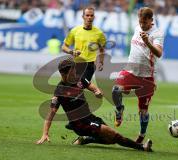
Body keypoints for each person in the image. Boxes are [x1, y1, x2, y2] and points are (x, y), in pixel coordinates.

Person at [36, 56, 153, 152]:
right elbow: (50, 114)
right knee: (114, 134)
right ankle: (142, 147)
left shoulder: (79, 78)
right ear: (63, 74)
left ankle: (86, 139)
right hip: (80, 124)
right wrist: (45, 133)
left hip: (90, 117)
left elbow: (90, 86)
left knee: (110, 140)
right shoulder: (59, 91)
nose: (76, 71)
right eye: (73, 70)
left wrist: (96, 91)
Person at [112, 7, 164, 144]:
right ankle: (119, 109)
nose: (142, 25)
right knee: (115, 91)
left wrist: (148, 43)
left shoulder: (157, 34)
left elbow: (159, 53)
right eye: (140, 22)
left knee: (143, 111)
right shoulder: (137, 28)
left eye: (145, 23)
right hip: (130, 71)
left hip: (146, 76)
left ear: (151, 20)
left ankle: (141, 135)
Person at [62, 6, 106, 98]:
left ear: (94, 17)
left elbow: (102, 50)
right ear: (83, 17)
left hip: (90, 64)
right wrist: (71, 51)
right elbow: (64, 47)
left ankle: (96, 90)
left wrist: (101, 62)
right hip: (76, 63)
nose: (89, 17)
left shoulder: (99, 33)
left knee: (80, 81)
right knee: (76, 87)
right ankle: (95, 92)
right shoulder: (75, 31)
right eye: (87, 15)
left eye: (91, 15)